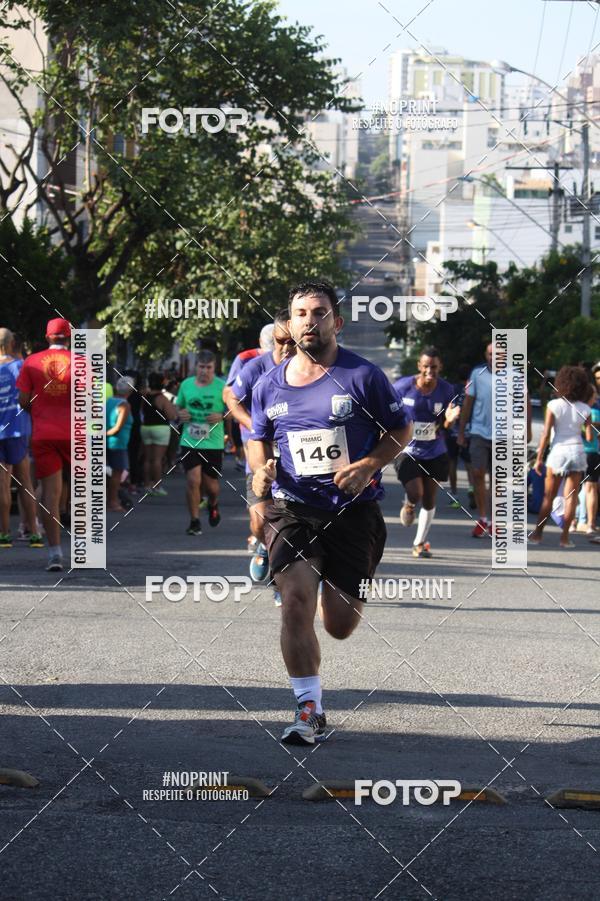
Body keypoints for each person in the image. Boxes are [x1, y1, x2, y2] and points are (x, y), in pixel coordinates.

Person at [248, 281, 411, 745]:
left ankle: (335, 585)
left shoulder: (363, 376)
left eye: (319, 312)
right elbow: (256, 438)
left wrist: (369, 464)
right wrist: (260, 475)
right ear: (290, 322)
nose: (309, 321)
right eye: (300, 313)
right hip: (292, 509)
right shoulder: (270, 384)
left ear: (336, 322)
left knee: (338, 625)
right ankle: (309, 709)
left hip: (353, 512)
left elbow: (401, 428)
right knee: (295, 602)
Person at [226, 310, 293, 589]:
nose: (287, 348)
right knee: (260, 521)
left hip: (293, 459)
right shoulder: (255, 367)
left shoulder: (308, 368)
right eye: (281, 341)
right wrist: (254, 426)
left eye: (293, 341)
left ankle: (282, 583)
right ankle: (262, 547)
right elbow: (231, 398)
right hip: (259, 454)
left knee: (287, 522)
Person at [393, 348, 460, 558]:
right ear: (419, 367)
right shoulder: (403, 387)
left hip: (434, 450)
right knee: (416, 492)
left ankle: (419, 543)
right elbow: (387, 410)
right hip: (408, 450)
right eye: (426, 366)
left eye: (434, 367)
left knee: (430, 499)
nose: (430, 371)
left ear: (440, 367)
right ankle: (410, 503)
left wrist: (449, 419)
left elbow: (446, 425)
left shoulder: (446, 390)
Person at [17, 318, 72, 571]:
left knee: (51, 493)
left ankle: (55, 553)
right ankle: (85, 551)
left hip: (44, 433)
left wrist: (40, 409)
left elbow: (23, 401)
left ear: (48, 336)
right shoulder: (82, 363)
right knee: (82, 494)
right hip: (76, 435)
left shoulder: (31, 362)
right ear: (69, 337)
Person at [529, 366, 592, 548]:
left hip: (558, 452)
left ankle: (537, 535)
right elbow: (588, 436)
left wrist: (539, 458)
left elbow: (546, 434)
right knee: (571, 496)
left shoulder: (553, 405)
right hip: (578, 452)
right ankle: (565, 538)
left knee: (548, 497)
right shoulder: (585, 409)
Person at [223, 324, 275, 509]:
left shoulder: (291, 354)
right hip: (251, 429)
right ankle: (258, 527)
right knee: (258, 474)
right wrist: (250, 422)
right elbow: (228, 394)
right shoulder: (245, 359)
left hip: (282, 428)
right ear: (260, 342)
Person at [0, 328, 42, 548]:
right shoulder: (19, 366)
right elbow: (31, 397)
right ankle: (34, 533)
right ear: (11, 343)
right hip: (18, 430)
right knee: (25, 483)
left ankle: (4, 535)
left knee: (3, 485)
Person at [176, 350, 226, 535]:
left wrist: (222, 415)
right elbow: (178, 408)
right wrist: (180, 414)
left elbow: (234, 410)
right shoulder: (186, 385)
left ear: (214, 368)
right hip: (190, 440)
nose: (204, 371)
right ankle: (194, 521)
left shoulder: (222, 387)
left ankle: (213, 504)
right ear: (195, 367)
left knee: (212, 486)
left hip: (213, 442)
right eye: (201, 367)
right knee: (193, 480)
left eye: (208, 367)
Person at [141, 373, 180, 496]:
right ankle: (157, 486)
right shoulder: (162, 398)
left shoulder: (145, 396)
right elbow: (171, 415)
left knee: (147, 458)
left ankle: (146, 485)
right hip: (160, 428)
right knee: (158, 459)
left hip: (146, 427)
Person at [446, 363, 474, 510]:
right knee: (469, 463)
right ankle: (471, 487)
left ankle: (454, 495)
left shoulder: (451, 389)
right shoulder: (471, 390)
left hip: (451, 430)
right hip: (469, 431)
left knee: (452, 462)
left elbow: (448, 408)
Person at [106, 377, 134, 512]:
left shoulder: (108, 401)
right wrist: (106, 434)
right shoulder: (125, 404)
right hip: (117, 443)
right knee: (117, 474)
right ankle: (112, 501)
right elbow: (118, 427)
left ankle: (109, 500)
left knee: (107, 474)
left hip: (107, 442)